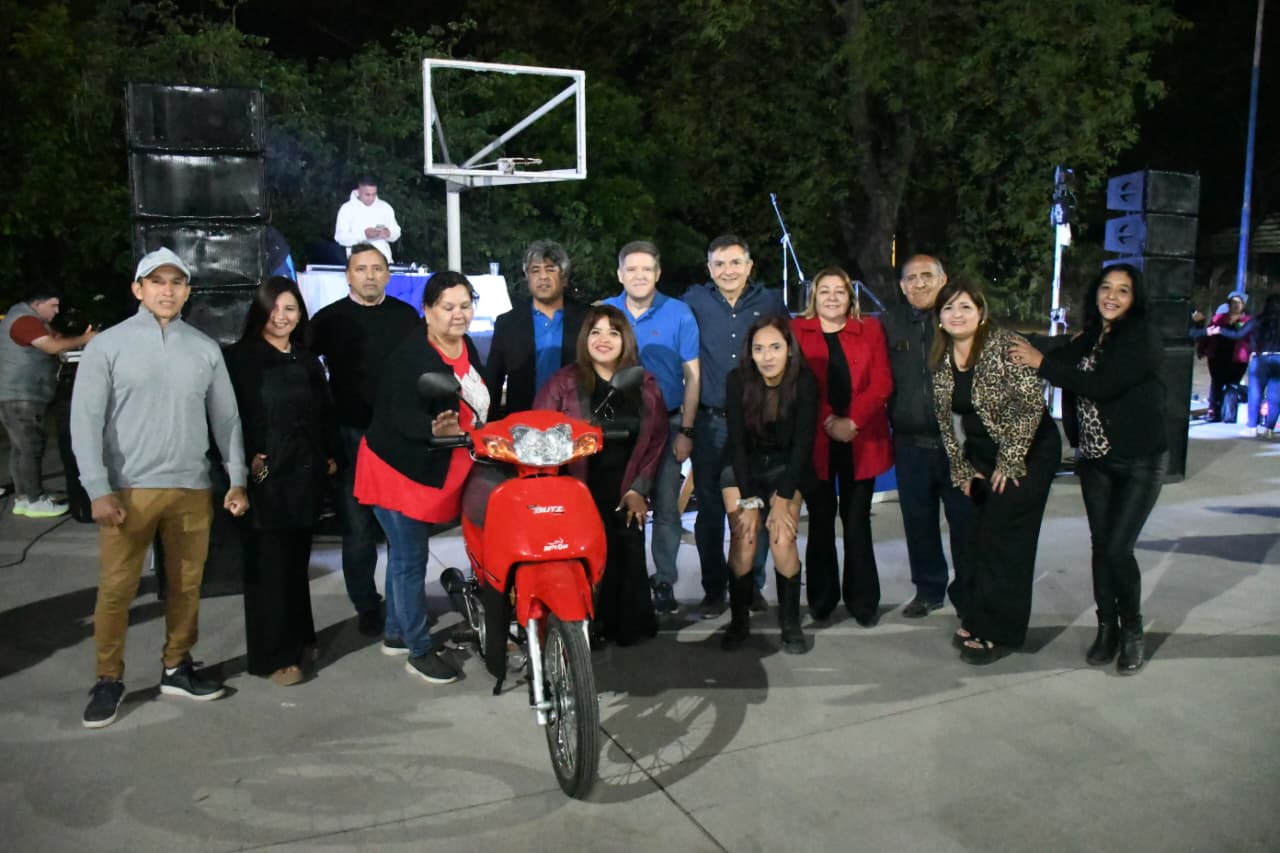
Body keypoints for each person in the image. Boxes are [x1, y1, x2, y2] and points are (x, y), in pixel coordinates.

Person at [71, 247, 249, 729]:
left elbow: (226, 419)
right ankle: (108, 678)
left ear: (188, 291)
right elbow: (84, 422)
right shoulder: (107, 347)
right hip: (128, 491)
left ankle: (177, 665)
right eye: (157, 281)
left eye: (176, 282)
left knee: (187, 585)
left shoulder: (204, 348)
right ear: (138, 289)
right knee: (117, 589)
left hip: (190, 487)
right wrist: (97, 488)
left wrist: (236, 477)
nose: (167, 291)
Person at [1009, 264, 1165, 673]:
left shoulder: (1142, 338)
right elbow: (1058, 354)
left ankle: (1132, 631)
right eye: (1106, 288)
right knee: (1101, 546)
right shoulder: (1094, 335)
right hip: (1096, 460)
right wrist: (1013, 342)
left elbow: (1100, 385)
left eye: (1123, 290)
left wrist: (1040, 362)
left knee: (1117, 549)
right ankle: (1106, 628)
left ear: (1135, 298)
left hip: (1139, 461)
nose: (1112, 296)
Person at [354, 271, 490, 685]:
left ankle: (396, 632)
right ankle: (418, 649)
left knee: (402, 556)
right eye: (448, 307)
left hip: (440, 465)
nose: (458, 314)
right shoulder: (411, 355)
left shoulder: (466, 345)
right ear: (427, 311)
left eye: (465, 305)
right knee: (410, 559)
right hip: (399, 470)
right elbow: (395, 413)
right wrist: (433, 429)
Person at [930, 280, 1060, 665]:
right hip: (983, 455)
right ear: (939, 318)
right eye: (949, 308)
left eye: (965, 307)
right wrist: (962, 470)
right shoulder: (942, 359)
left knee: (1005, 538)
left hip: (1029, 452)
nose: (957, 315)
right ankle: (978, 617)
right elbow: (947, 423)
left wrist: (1010, 461)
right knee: (979, 537)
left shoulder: (1004, 346)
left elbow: (1030, 406)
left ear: (981, 312)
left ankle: (999, 631)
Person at [225, 277, 338, 687]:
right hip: (263, 480)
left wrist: (329, 457)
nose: (282, 316)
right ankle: (275, 656)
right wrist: (242, 464)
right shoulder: (239, 359)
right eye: (274, 308)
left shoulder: (306, 360)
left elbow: (324, 412)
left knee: (295, 564)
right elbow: (226, 418)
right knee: (268, 571)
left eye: (290, 308)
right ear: (260, 311)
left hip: (304, 478)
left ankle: (302, 637)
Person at [534, 305, 668, 645]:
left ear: (625, 340)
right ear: (585, 339)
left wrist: (639, 488)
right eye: (595, 332)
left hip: (625, 489)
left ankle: (625, 628)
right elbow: (539, 436)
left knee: (626, 550)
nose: (603, 339)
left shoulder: (644, 384)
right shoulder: (563, 384)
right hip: (575, 491)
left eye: (613, 332)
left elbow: (656, 439)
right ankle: (579, 632)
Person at [311, 243, 421, 637]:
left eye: (377, 268)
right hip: (350, 435)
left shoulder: (406, 317)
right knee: (358, 529)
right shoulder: (328, 320)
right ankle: (366, 604)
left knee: (400, 527)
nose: (370, 275)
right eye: (361, 268)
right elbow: (304, 373)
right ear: (348, 275)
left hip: (398, 436)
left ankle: (400, 603)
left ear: (388, 275)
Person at [684, 234, 788, 618]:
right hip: (710, 422)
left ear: (749, 266)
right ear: (709, 268)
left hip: (756, 423)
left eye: (735, 262)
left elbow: (787, 351)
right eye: (719, 264)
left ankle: (750, 586)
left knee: (752, 506)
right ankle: (714, 591)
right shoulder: (694, 301)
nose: (728, 270)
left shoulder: (770, 302)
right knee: (710, 511)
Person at [601, 241, 700, 615]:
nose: (639, 276)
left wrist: (686, 430)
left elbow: (693, 377)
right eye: (632, 269)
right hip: (617, 428)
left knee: (667, 508)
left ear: (658, 273)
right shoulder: (605, 313)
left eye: (647, 269)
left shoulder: (679, 314)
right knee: (618, 504)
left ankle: (664, 581)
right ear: (619, 274)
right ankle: (621, 581)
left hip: (668, 423)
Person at [791, 267, 893, 627]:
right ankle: (821, 600)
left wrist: (852, 422)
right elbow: (795, 383)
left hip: (860, 438)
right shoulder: (796, 331)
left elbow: (882, 382)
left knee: (856, 520)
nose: (832, 297)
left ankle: (862, 602)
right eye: (825, 291)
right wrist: (828, 421)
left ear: (851, 297)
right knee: (820, 520)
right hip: (815, 440)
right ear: (813, 297)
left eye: (840, 291)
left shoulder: (871, 330)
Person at [879, 254, 975, 619]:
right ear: (902, 286)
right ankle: (929, 589)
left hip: (959, 444)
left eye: (927, 276)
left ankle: (968, 594)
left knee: (965, 523)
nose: (919, 283)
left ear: (942, 279)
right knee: (918, 522)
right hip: (910, 445)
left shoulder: (959, 317)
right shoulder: (890, 323)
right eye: (911, 278)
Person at [721, 315, 819, 653]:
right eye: (759, 349)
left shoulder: (804, 382)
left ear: (789, 349)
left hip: (786, 466)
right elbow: (737, 444)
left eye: (775, 347)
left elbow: (803, 445)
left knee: (781, 537)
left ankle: (790, 623)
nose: (767, 356)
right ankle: (739, 620)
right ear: (750, 353)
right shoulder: (737, 380)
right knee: (744, 538)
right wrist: (749, 502)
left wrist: (783, 499)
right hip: (742, 465)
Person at [0, 290, 95, 518]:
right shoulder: (25, 321)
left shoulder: (30, 320)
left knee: (21, 449)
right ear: (37, 303)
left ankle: (25, 497)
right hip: (22, 395)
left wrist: (72, 339)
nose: (57, 311)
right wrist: (87, 339)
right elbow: (52, 346)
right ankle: (34, 500)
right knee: (31, 448)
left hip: (17, 394)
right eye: (53, 306)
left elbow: (58, 341)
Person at [484, 240, 588, 419]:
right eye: (535, 270)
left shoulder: (588, 319)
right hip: (523, 423)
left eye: (550, 269)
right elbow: (493, 382)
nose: (543, 276)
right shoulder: (507, 323)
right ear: (527, 277)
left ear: (564, 277)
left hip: (576, 423)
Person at [1191, 292, 1251, 422]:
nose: (1236, 305)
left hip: (1237, 358)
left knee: (1232, 385)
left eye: (1239, 303)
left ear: (1244, 305)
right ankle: (1213, 411)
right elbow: (1209, 333)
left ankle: (1228, 411)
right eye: (1233, 302)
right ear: (1228, 304)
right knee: (1216, 383)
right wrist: (1202, 347)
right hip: (1217, 356)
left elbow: (1248, 338)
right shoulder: (1219, 317)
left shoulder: (1247, 321)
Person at [333, 175, 402, 263]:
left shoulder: (385, 207)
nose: (371, 198)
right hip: (358, 263)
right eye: (367, 194)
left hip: (383, 261)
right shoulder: (347, 209)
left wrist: (389, 233)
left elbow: (396, 231)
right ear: (359, 191)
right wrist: (364, 235)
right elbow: (340, 237)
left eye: (374, 194)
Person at [1242, 293, 1280, 439]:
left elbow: (1240, 333)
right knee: (1275, 395)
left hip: (1260, 358)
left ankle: (1252, 427)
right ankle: (1269, 429)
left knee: (1255, 392)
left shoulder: (1258, 320)